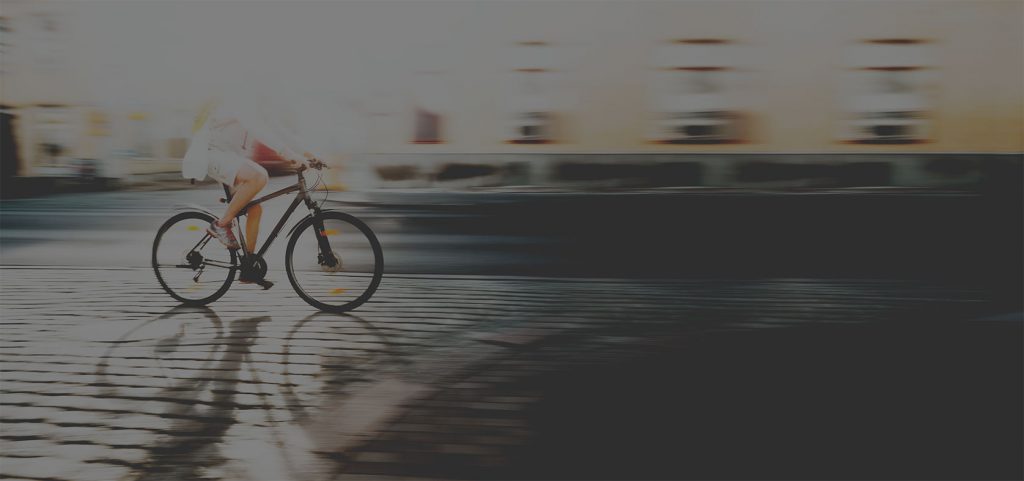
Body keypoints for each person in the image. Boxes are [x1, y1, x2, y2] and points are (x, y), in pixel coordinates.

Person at [183, 97, 316, 285]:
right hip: (214, 154)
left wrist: (309, 154)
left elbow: (280, 131)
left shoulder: (263, 107)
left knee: (255, 208)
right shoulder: (242, 100)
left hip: (229, 157)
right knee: (259, 176)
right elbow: (256, 128)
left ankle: (248, 268)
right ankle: (221, 225)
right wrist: (288, 154)